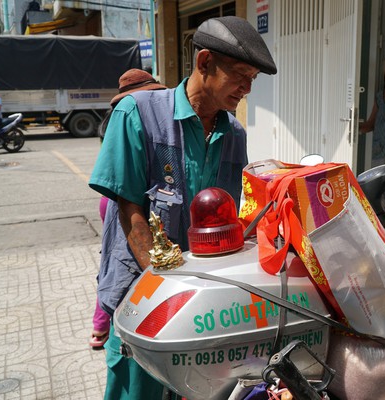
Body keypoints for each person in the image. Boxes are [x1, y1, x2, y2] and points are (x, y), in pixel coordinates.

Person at [88, 16, 276, 400]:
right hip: (143, 299)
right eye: (241, 75)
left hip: (200, 307)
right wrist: (167, 292)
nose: (247, 88)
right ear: (204, 62)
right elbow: (129, 210)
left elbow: (229, 217)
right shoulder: (137, 114)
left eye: (253, 80)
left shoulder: (234, 135)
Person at [89, 68, 167, 349]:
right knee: (120, 258)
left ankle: (100, 328)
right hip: (118, 197)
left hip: (116, 196)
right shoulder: (128, 118)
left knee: (114, 255)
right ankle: (105, 325)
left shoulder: (113, 119)